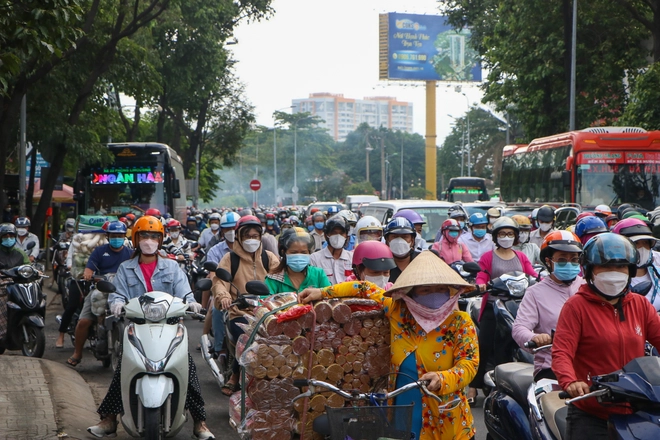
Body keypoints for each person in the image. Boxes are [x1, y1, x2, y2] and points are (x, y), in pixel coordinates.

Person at [299, 251, 479, 440]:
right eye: (426, 290)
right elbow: (364, 288)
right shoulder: (398, 311)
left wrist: (443, 378)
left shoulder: (460, 322)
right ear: (412, 292)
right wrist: (322, 292)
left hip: (446, 419)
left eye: (440, 289)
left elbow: (469, 364)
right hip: (402, 411)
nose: (434, 295)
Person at [87, 216, 212, 439]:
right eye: (144, 235)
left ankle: (200, 422)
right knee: (124, 368)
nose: (149, 240)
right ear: (135, 239)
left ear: (161, 240)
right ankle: (109, 419)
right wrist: (116, 303)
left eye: (154, 236)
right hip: (138, 327)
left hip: (171, 327)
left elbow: (185, 292)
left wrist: (192, 302)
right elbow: (117, 293)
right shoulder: (125, 268)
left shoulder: (172, 267)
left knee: (188, 368)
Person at [551, 233, 660, 440]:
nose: (614, 273)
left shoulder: (640, 305)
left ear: (630, 271)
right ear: (590, 271)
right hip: (592, 411)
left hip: (639, 410)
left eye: (620, 267)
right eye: (606, 267)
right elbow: (562, 352)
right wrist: (571, 381)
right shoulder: (576, 307)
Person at [468, 217, 538, 403]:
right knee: (483, 346)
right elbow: (482, 275)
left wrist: (542, 279)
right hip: (493, 306)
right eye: (501, 234)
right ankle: (473, 388)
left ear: (515, 237)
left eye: (509, 234)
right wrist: (481, 285)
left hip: (518, 307)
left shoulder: (521, 257)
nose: (505, 237)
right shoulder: (488, 257)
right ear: (496, 237)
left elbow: (532, 274)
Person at [212, 215, 279, 396]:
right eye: (247, 236)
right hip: (240, 311)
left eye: (255, 236)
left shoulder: (269, 257)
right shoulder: (230, 258)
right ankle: (235, 375)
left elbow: (281, 281)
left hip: (268, 312)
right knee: (248, 336)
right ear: (239, 237)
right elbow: (219, 281)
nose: (252, 239)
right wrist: (224, 296)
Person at [512, 231, 583, 381]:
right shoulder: (534, 293)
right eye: (562, 260)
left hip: (588, 366)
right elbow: (519, 328)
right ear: (548, 261)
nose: (569, 264)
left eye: (574, 260)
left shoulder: (587, 287)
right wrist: (535, 338)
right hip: (551, 368)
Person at [63, 221, 132, 360]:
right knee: (84, 322)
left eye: (120, 235)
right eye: (114, 235)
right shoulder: (100, 251)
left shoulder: (130, 253)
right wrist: (88, 274)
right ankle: (77, 353)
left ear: (124, 236)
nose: (117, 238)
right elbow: (89, 268)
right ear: (108, 236)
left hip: (124, 291)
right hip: (101, 289)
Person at [612, 218, 660, 311]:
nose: (642, 248)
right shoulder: (612, 279)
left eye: (645, 242)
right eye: (636, 243)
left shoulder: (658, 274)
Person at [265, 227, 330, 294]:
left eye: (303, 252)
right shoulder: (274, 278)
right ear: (283, 252)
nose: (299, 256)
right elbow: (264, 301)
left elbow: (329, 296)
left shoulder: (318, 274)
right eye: (294, 252)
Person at [309, 216, 353, 285]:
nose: (338, 236)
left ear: (346, 236)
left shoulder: (352, 258)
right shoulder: (314, 259)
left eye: (341, 233)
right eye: (334, 233)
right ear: (326, 236)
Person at [383, 217, 419, 283]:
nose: (399, 241)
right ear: (387, 241)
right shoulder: (381, 263)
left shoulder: (421, 260)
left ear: (412, 241)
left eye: (404, 237)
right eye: (395, 237)